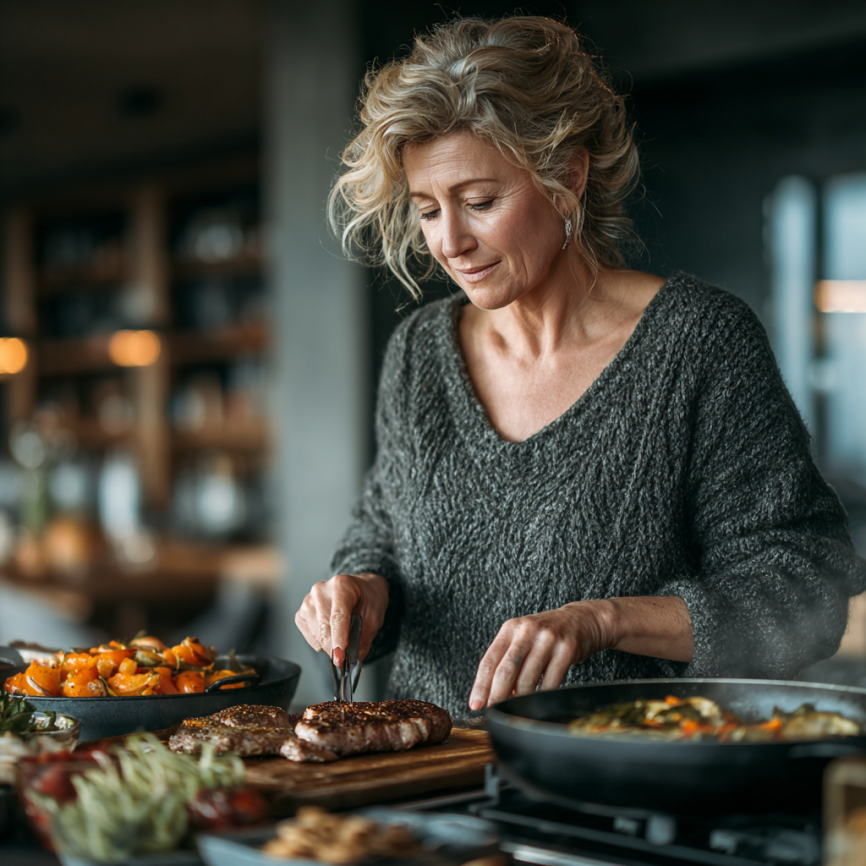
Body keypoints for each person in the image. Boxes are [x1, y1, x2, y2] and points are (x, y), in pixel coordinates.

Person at [295, 16, 866, 717]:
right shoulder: (420, 352)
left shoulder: (696, 344)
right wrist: (362, 589)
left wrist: (605, 621)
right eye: (426, 210)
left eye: (479, 202)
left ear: (566, 173)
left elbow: (806, 583)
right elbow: (381, 532)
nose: (450, 242)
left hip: (621, 794)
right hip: (428, 797)